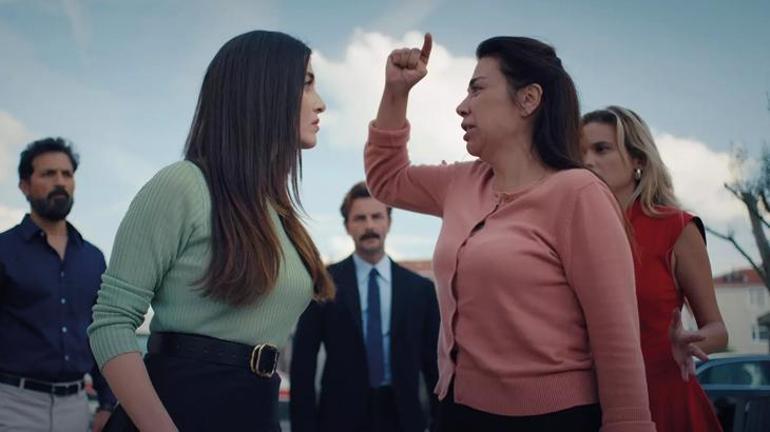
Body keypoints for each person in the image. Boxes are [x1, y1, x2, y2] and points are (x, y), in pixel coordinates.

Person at [364, 34, 656, 432]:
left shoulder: (580, 194)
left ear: (528, 100)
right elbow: (387, 179)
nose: (462, 105)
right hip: (455, 412)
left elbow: (616, 339)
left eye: (477, 89)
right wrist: (396, 93)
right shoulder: (461, 182)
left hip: (553, 421)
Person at [87, 30, 334, 432]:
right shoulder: (183, 185)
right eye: (306, 84)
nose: (320, 102)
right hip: (177, 412)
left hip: (257, 412)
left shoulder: (278, 211)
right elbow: (111, 321)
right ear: (263, 91)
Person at [581, 106, 728, 432]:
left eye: (601, 149)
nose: (587, 161)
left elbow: (718, 329)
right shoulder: (571, 231)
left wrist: (690, 342)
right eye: (580, 152)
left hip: (664, 401)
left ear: (639, 160)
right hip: (587, 406)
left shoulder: (676, 227)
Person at [290, 181, 440, 432]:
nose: (369, 226)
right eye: (360, 218)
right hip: (339, 419)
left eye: (376, 216)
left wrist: (440, 422)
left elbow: (434, 364)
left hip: (404, 418)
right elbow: (303, 365)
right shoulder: (323, 284)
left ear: (388, 222)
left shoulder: (420, 290)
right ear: (347, 226)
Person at [0, 138, 116, 432]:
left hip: (76, 407)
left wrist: (107, 403)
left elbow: (100, 332)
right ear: (24, 186)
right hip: (12, 404)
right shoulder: (4, 250)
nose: (60, 182)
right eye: (48, 174)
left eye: (67, 174)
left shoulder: (93, 258)